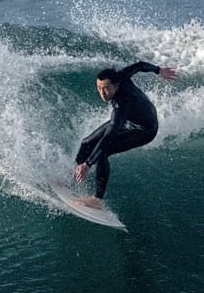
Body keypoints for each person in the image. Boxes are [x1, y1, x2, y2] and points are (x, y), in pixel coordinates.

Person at [73, 62, 178, 207]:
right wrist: (158, 70)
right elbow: (140, 65)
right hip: (130, 120)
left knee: (103, 154)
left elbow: (108, 138)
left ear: (116, 85)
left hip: (145, 130)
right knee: (86, 143)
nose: (102, 93)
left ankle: (97, 199)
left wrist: (88, 163)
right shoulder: (121, 75)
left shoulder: (120, 107)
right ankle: (76, 174)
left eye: (106, 88)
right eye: (99, 88)